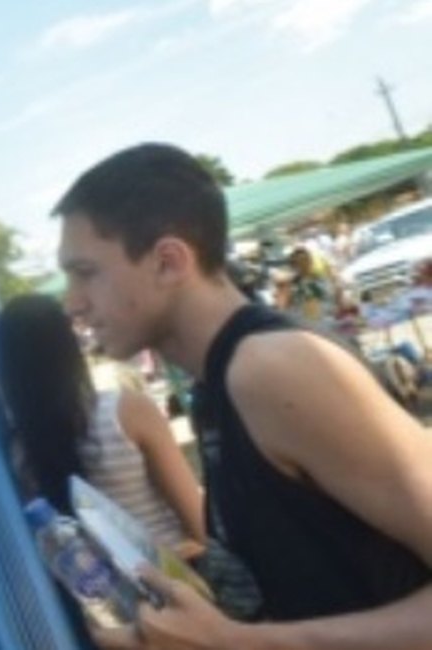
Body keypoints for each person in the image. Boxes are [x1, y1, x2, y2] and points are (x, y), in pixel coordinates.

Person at [53, 143, 432, 649]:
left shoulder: (272, 368)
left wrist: (235, 643)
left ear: (168, 262)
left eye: (86, 273)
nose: (72, 302)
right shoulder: (218, 384)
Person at [0, 294, 205, 556]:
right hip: (184, 578)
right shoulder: (127, 411)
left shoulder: (21, 451)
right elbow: (198, 520)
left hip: (111, 592)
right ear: (69, 344)